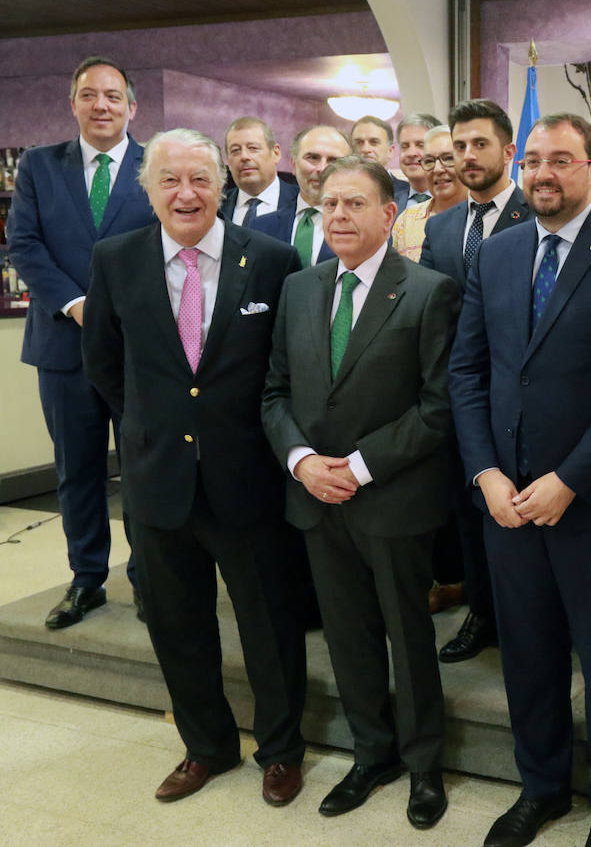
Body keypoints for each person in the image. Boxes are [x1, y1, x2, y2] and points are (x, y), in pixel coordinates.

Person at [449, 113, 591, 847]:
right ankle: (540, 786)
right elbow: (468, 371)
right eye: (534, 160)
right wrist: (483, 473)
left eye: (561, 160)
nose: (543, 173)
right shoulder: (499, 254)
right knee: (528, 652)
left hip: (590, 501)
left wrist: (570, 479)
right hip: (504, 502)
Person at [81, 128, 306, 806]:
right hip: (158, 480)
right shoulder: (115, 260)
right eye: (170, 180)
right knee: (177, 625)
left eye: (202, 180)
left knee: (268, 624)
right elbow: (105, 365)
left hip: (246, 480)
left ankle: (282, 748)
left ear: (223, 187)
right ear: (148, 191)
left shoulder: (270, 259)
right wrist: (153, 428)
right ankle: (207, 746)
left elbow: (286, 368)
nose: (187, 193)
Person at [261, 155, 459, 830]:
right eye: (328, 206)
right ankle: (372, 753)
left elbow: (438, 407)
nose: (338, 216)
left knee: (407, 635)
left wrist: (360, 466)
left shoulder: (430, 292)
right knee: (346, 635)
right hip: (316, 497)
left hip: (392, 497)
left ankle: (424, 763)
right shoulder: (299, 289)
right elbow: (275, 393)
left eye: (354, 204)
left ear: (387, 213)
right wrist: (303, 461)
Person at [6, 56, 158, 629]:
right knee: (77, 470)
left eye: (114, 96)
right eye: (90, 95)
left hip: (140, 349)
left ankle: (149, 579)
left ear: (131, 107)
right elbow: (23, 244)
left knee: (144, 468)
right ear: (72, 103)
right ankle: (86, 579)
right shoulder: (41, 167)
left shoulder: (157, 166)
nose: (102, 105)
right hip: (63, 349)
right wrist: (76, 304)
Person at [421, 98, 529, 664]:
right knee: (470, 516)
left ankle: (527, 620)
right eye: (459, 146)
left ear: (509, 151)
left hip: (521, 393)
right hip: (459, 396)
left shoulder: (537, 214)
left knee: (521, 516)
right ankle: (481, 613)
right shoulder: (439, 227)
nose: (466, 156)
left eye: (479, 144)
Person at [391, 126, 467, 261]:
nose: (437, 169)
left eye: (448, 158)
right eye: (429, 161)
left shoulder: (482, 216)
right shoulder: (407, 220)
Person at [221, 116, 299, 242]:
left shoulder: (300, 202)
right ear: (228, 160)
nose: (244, 156)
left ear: (276, 153)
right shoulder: (217, 206)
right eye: (235, 150)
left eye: (253, 148)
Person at [288, 125, 350, 266]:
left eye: (333, 160)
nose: (322, 168)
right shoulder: (262, 226)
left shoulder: (362, 229)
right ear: (293, 164)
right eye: (312, 158)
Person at [350, 115, 414, 208]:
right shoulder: (339, 191)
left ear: (390, 151)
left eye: (374, 142)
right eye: (359, 143)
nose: (365, 149)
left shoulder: (409, 192)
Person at [396, 111, 444, 206]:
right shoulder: (389, 202)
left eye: (421, 145)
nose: (411, 153)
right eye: (405, 146)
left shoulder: (462, 202)